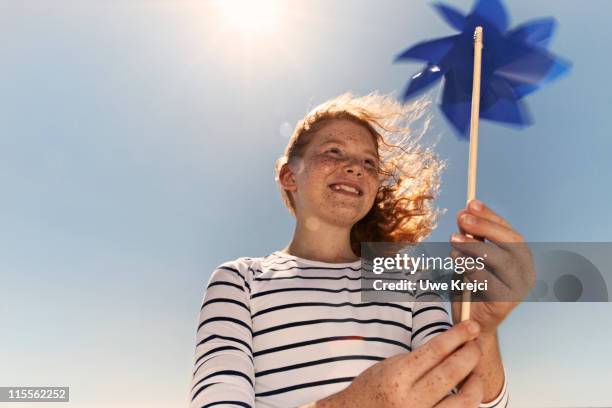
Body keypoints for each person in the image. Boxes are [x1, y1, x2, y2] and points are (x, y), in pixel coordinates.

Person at [189, 92, 534, 408]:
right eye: (333, 152)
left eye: (369, 163)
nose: (355, 167)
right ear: (289, 176)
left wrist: (480, 333)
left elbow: (463, 400)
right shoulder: (239, 281)